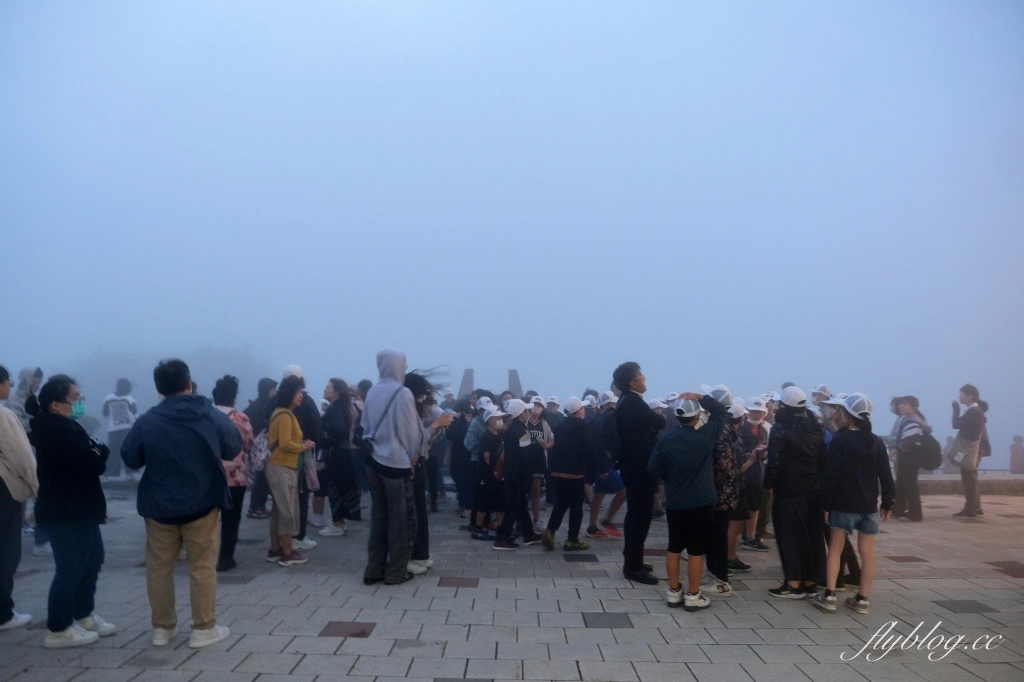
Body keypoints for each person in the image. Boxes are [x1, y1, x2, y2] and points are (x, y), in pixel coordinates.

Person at [121, 359, 243, 649]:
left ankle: (162, 628)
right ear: (189, 383)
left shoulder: (148, 421)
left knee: (159, 569)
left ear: (159, 388)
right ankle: (203, 628)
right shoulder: (208, 415)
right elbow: (234, 445)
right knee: (202, 566)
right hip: (202, 503)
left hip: (159, 507)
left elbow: (130, 457)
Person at [29, 375, 116, 648]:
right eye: (75, 398)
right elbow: (92, 463)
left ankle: (83, 615)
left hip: (82, 508)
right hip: (65, 511)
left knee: (91, 561)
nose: (80, 402)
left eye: (80, 397)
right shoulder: (55, 431)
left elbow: (101, 450)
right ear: (56, 405)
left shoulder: (69, 426)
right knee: (70, 568)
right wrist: (95, 454)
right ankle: (59, 629)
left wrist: (96, 452)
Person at [361, 351, 452, 586]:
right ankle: (395, 572)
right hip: (395, 464)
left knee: (379, 519)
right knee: (400, 521)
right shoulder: (402, 393)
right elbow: (413, 438)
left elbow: (364, 427)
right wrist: (433, 429)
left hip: (373, 463)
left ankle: (373, 569)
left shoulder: (372, 391)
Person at [813, 393, 895, 615]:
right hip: (868, 506)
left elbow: (831, 476)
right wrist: (887, 503)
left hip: (843, 504)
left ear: (847, 416)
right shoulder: (877, 442)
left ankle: (829, 596)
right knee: (867, 552)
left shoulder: (841, 440)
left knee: (835, 549)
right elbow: (886, 476)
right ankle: (863, 598)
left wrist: (826, 505)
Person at [648, 393, 730, 611]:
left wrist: (671, 477)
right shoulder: (703, 437)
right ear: (696, 416)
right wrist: (702, 397)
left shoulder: (665, 439)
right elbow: (722, 413)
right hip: (700, 500)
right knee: (695, 550)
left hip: (675, 500)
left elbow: (653, 467)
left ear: (676, 416)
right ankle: (694, 595)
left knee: (674, 546)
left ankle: (674, 591)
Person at [763, 386, 827, 600]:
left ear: (784, 406)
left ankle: (793, 585)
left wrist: (769, 483)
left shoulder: (781, 428)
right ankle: (810, 583)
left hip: (789, 491)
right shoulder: (815, 427)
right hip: (814, 490)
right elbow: (822, 459)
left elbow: (775, 462)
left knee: (789, 537)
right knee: (812, 538)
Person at [613, 362, 666, 585]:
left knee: (635, 515)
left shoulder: (626, 401)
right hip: (638, 468)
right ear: (633, 382)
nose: (645, 379)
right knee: (640, 516)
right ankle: (633, 566)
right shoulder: (633, 402)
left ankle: (633, 558)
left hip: (632, 466)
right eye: (641, 376)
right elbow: (659, 421)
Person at [0, 365, 38, 632]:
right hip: (3, 490)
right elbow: (23, 457)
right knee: (6, 551)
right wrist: (37, 489)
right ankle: (3, 613)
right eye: (8, 381)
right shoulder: (4, 415)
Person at [265, 375, 315, 567]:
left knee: (278, 511)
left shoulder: (281, 412)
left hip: (280, 466)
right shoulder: (285, 415)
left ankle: (275, 549)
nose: (301, 395)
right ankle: (287, 553)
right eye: (298, 392)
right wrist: (304, 445)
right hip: (282, 467)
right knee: (287, 511)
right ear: (290, 394)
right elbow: (285, 443)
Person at [275, 366, 324, 552]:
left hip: (277, 460)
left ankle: (279, 542)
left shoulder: (275, 402)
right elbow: (317, 432)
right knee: (299, 498)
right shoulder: (306, 403)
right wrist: (308, 445)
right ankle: (297, 537)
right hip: (298, 458)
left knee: (282, 503)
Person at [406, 371, 449, 571]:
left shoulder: (413, 413)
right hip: (409, 465)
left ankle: (421, 554)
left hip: (418, 462)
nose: (428, 406)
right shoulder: (407, 412)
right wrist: (435, 425)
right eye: (424, 399)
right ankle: (410, 557)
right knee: (411, 514)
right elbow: (414, 440)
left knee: (419, 513)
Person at [211, 376, 254, 572]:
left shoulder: (205, 416)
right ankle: (226, 557)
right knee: (231, 518)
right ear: (234, 397)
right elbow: (248, 445)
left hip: (209, 475)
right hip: (236, 477)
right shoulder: (241, 418)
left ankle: (206, 554)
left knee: (207, 518)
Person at [542, 397, 595, 552]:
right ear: (578, 410)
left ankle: (550, 531)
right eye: (582, 408)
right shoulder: (583, 425)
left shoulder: (560, 424)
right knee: (576, 507)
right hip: (574, 472)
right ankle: (572, 540)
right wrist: (590, 475)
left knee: (561, 502)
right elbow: (589, 450)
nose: (583, 410)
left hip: (556, 471)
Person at [494, 399, 543, 550]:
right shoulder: (521, 432)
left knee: (520, 504)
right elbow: (526, 457)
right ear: (522, 413)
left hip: (512, 474)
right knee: (512, 508)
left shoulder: (512, 430)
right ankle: (502, 538)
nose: (529, 413)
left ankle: (529, 534)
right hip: (519, 476)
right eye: (527, 410)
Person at [319, 378, 361, 536]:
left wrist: (325, 437)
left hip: (337, 454)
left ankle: (337, 523)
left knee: (335, 487)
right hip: (342, 453)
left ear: (336, 391)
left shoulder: (335, 409)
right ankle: (340, 522)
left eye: (328, 387)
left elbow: (339, 431)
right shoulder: (340, 407)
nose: (325, 390)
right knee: (340, 487)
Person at [584, 392, 626, 540]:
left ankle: (592, 527)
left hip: (599, 464)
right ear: (607, 405)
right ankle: (607, 520)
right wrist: (604, 468)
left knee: (599, 495)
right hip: (605, 465)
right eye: (613, 404)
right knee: (623, 491)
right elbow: (599, 445)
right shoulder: (605, 421)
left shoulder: (597, 420)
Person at [886, 396, 929, 522]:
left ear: (914, 407)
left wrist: (893, 452)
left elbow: (907, 442)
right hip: (907, 458)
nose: (901, 406)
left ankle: (915, 514)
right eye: (901, 404)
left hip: (911, 459)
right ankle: (900, 511)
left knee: (910, 485)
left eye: (905, 404)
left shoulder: (914, 422)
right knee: (902, 484)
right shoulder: (908, 420)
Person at [949, 384, 990, 518]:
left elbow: (956, 424)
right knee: (971, 479)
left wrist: (956, 409)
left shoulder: (974, 412)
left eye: (962, 395)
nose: (960, 397)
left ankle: (970, 510)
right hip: (975, 450)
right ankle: (975, 508)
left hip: (971, 450)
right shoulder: (975, 411)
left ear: (970, 396)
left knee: (969, 480)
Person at [738, 397, 770, 553]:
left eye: (760, 411)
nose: (756, 414)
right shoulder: (742, 429)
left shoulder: (764, 429)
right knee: (747, 507)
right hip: (745, 472)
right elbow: (738, 452)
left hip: (757, 473)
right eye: (754, 411)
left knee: (756, 506)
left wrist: (763, 454)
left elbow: (764, 455)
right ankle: (747, 536)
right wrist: (753, 453)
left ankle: (750, 536)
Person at [244, 378, 277, 519]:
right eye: (273, 390)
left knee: (261, 477)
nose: (275, 392)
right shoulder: (265, 407)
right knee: (262, 478)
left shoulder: (253, 406)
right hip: (261, 447)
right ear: (268, 390)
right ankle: (256, 507)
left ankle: (258, 506)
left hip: (254, 447)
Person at [526, 396, 555, 534]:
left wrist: (546, 445)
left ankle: (536, 519)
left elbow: (551, 440)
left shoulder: (544, 423)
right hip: (524, 460)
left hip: (539, 460)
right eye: (535, 405)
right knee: (522, 490)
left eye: (539, 406)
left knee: (536, 490)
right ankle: (522, 519)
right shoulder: (524, 421)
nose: (536, 408)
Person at [101, 378, 138, 478]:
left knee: (113, 451)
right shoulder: (129, 399)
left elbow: (105, 413)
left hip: (113, 429)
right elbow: (135, 414)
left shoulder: (108, 399)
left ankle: (108, 475)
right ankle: (131, 474)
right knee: (129, 450)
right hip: (128, 428)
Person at [446, 400, 475, 517]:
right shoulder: (456, 422)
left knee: (465, 482)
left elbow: (456, 434)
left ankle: (469, 507)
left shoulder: (469, 423)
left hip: (466, 456)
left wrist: (459, 420)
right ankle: (462, 505)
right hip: (456, 454)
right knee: (458, 480)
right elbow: (449, 435)